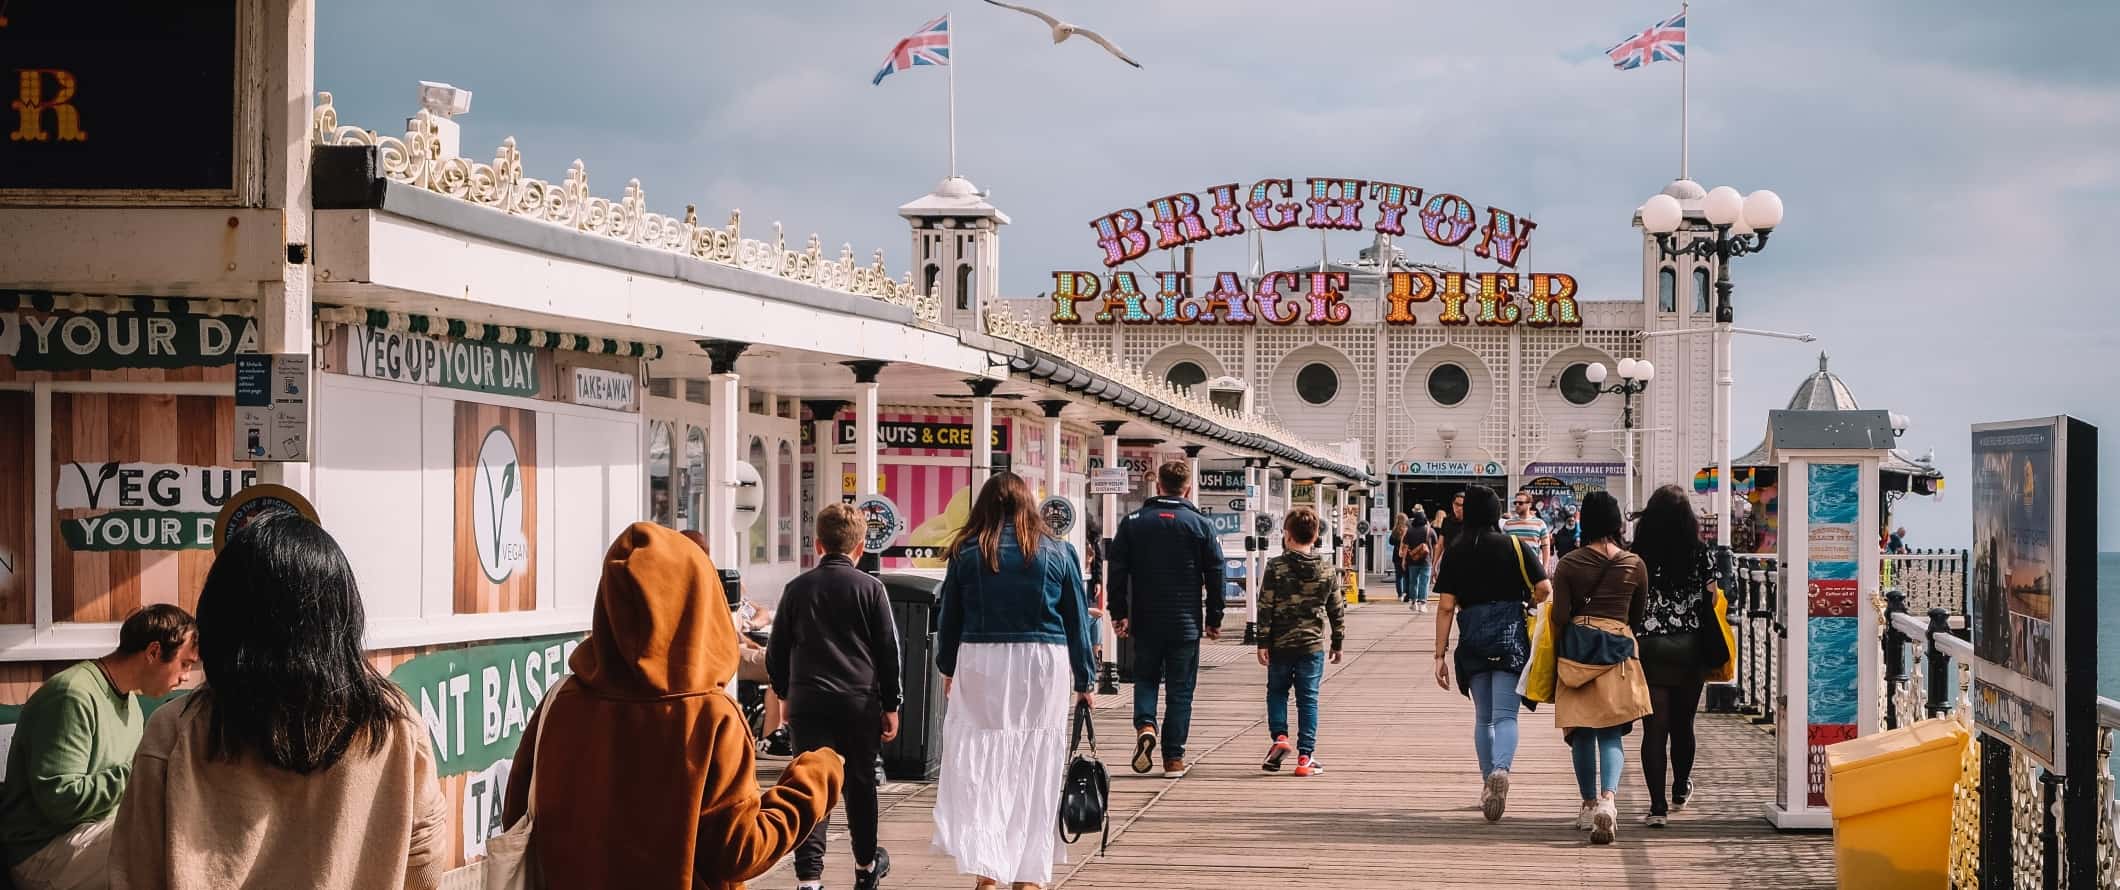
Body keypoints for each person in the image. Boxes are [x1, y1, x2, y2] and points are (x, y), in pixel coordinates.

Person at [502, 522, 844, 890]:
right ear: (699, 600)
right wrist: (815, 777)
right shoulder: (710, 718)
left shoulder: (561, 703)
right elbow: (740, 850)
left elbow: (518, 818)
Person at [109, 516, 441, 890]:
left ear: (221, 617)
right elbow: (423, 868)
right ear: (342, 615)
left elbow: (136, 874)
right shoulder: (396, 726)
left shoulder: (175, 732)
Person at [932, 472, 1095, 890]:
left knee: (984, 766)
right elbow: (1077, 620)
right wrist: (1085, 679)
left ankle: (989, 870)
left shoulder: (968, 552)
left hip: (982, 658)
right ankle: (1029, 875)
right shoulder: (1059, 551)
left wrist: (948, 666)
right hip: (1044, 661)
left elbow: (949, 618)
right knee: (1036, 765)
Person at [0, 605, 195, 890]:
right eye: (185, 664)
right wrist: (142, 773)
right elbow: (60, 800)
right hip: (45, 852)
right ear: (153, 652)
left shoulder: (130, 707)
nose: (187, 677)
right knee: (162, 840)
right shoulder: (72, 695)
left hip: (94, 837)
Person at [769, 504, 903, 890]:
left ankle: (809, 879)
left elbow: (776, 651)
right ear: (860, 547)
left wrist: (784, 694)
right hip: (859, 703)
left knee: (811, 786)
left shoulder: (797, 589)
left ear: (818, 544)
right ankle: (865, 866)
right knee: (860, 784)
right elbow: (888, 651)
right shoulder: (871, 589)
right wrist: (891, 705)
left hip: (809, 702)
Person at [1431, 486, 1550, 823]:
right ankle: (1502, 770)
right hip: (1510, 636)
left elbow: (1445, 607)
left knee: (1483, 719)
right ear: (1497, 512)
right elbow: (1544, 589)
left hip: (1473, 637)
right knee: (1506, 717)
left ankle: (1487, 783)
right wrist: (1526, 604)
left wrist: (1439, 656)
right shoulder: (1514, 545)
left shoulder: (1457, 549)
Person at [1108, 460, 1226, 779]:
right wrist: (1214, 617)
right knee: (1180, 689)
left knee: (1145, 678)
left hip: (1145, 621)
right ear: (1187, 488)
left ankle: (1146, 725)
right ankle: (1173, 758)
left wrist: (1118, 613)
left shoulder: (1134, 522)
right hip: (1185, 623)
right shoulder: (1200, 525)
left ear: (1157, 485)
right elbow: (1216, 573)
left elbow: (1116, 570)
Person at [1547, 492, 1653, 845]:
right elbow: (1637, 615)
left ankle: (1588, 804)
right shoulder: (1634, 564)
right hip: (1620, 651)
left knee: (1580, 731)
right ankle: (1609, 800)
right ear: (1616, 522)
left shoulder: (1569, 563)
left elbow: (1560, 616)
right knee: (1610, 733)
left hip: (1577, 651)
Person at [1629, 485, 1722, 826]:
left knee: (1654, 728)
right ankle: (1680, 788)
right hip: (1690, 646)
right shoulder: (1700, 552)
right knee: (1684, 726)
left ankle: (1656, 808)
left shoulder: (1638, 552)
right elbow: (1711, 598)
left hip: (1650, 646)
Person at [1256, 507, 1345, 777]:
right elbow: (1336, 609)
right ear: (1316, 535)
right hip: (1312, 644)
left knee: (1277, 692)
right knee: (1308, 699)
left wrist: (1262, 641)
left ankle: (1280, 737)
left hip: (1281, 644)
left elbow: (1265, 605)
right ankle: (1305, 757)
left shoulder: (1276, 566)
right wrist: (1338, 642)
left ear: (1286, 535)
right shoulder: (1327, 570)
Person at [1401, 508, 1437, 614]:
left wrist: (1403, 560)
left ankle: (1413, 602)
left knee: (1413, 582)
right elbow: (1436, 545)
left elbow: (1405, 546)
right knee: (1424, 582)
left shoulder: (1410, 531)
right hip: (1426, 560)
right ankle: (1422, 603)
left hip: (1412, 560)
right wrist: (1434, 559)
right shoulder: (1430, 530)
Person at [1503, 492, 1552, 565]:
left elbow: (1546, 547)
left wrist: (1545, 568)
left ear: (1529, 505)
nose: (1517, 505)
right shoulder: (1508, 524)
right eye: (1515, 503)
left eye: (1520, 503)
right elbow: (1504, 548)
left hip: (1533, 567)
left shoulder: (1540, 524)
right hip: (1513, 568)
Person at [1431, 490, 1466, 568]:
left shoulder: (1471, 522)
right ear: (1453, 504)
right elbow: (1440, 545)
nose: (1459, 508)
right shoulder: (1447, 521)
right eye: (1457, 504)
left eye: (1462, 505)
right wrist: (1434, 565)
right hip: (1448, 562)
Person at [1387, 513, 1410, 603]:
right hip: (1405, 555)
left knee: (1398, 576)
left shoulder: (1395, 530)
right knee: (1406, 576)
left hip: (1396, 555)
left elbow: (1391, 542)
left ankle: (1399, 594)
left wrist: (1397, 543)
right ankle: (1405, 592)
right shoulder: (1408, 530)